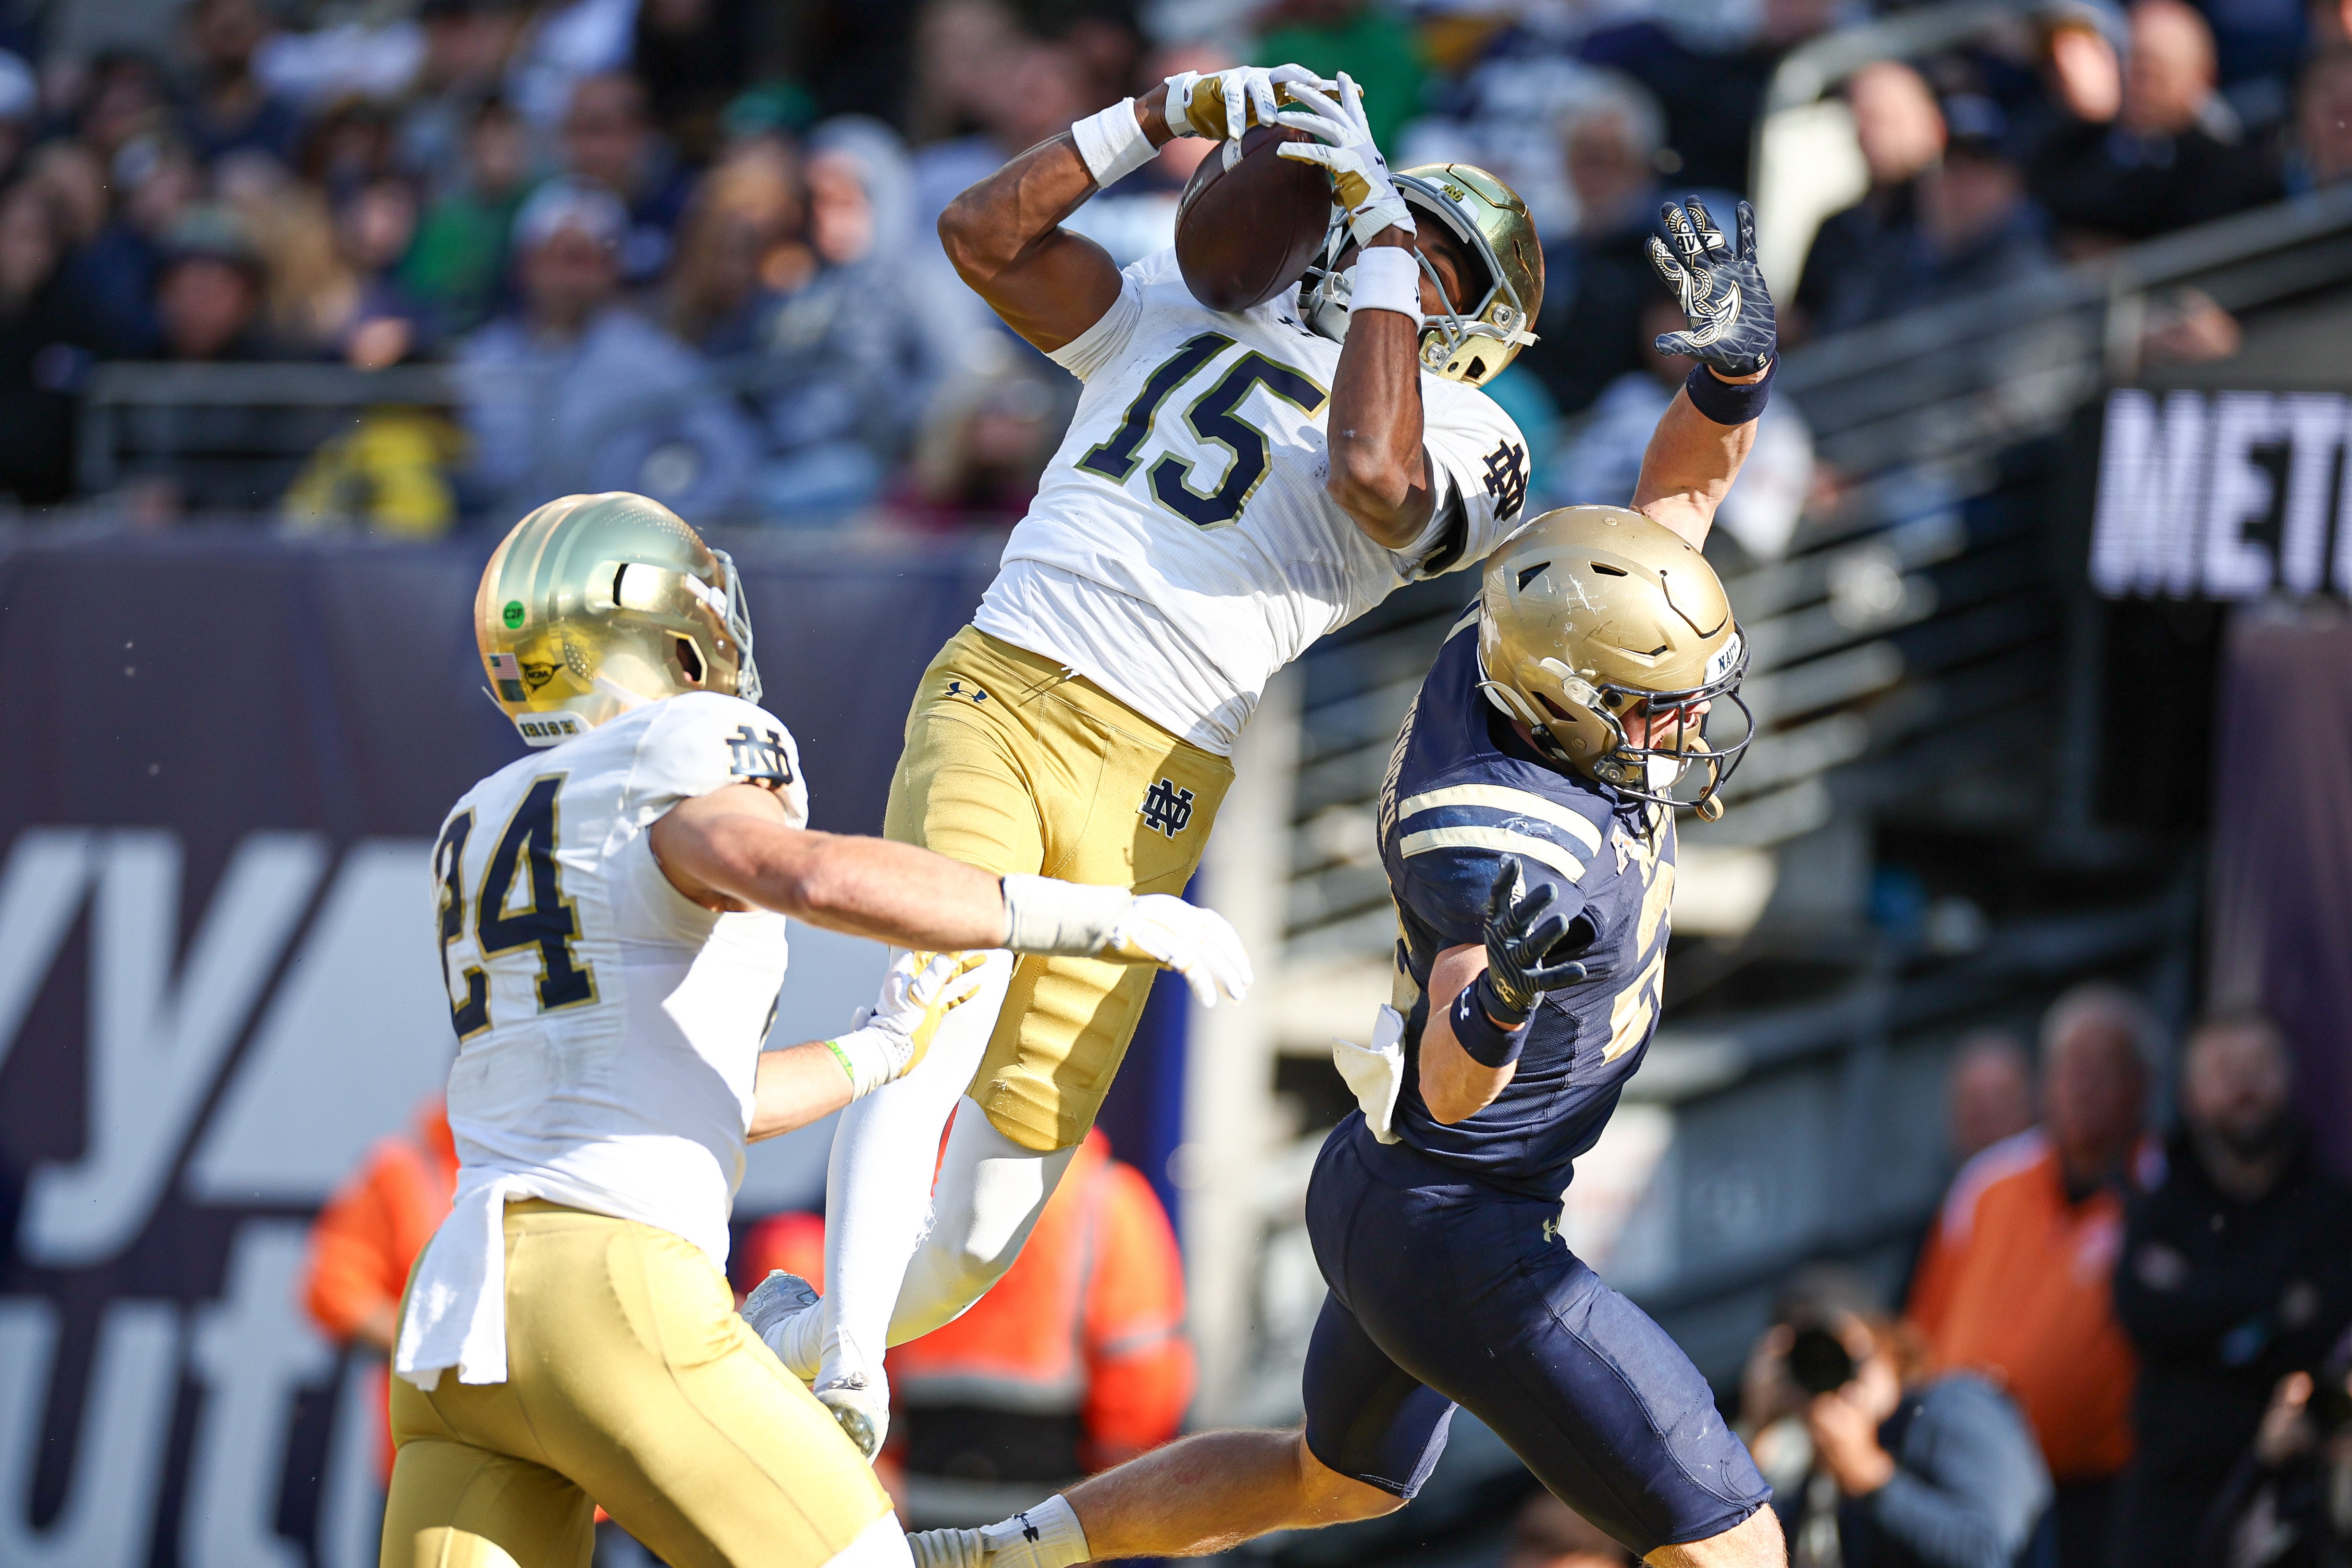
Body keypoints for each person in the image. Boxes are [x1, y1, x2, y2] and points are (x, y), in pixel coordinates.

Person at [892, 184, 1789, 1568]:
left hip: (1397, 1191)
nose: (1679, 728)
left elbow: (1676, 498)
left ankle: (998, 1549)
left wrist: (1728, 374)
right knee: (1734, 1542)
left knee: (1334, 1480)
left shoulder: (1538, 668)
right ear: (1574, 706)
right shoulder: (1499, 832)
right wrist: (1494, 997)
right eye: (1658, 708)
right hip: (1458, 1217)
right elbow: (1447, 1079)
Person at [742, 59, 1589, 1456]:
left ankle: (791, 1327)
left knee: (993, 1220)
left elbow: (1371, 471)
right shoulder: (1183, 310)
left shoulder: (1478, 437)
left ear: (1480, 326)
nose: (1399, 253)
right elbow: (980, 237)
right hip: (1008, 683)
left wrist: (1378, 243)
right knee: (930, 1010)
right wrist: (1147, 120)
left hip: (1157, 768)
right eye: (1399, 228)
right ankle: (842, 1367)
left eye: (1440, 260)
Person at [380, 490, 1249, 1568]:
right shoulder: (688, 742)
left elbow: (695, 1089)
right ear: (671, 641)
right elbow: (807, 871)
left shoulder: (484, 814)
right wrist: (1090, 914)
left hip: (459, 1325)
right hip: (612, 1288)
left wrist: (876, 1051)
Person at [742, 1127, 1192, 1521]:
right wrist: (1104, 1503)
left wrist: (864, 1470)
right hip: (1055, 1506)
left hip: (903, 1496)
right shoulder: (1108, 1198)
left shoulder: (902, 1183)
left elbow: (830, 1335)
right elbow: (1142, 1374)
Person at [1905, 982, 2158, 1568]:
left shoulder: (2165, 1192)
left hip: (2099, 1494)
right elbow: (1925, 1328)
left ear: (2142, 1085)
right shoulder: (1987, 1183)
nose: (2083, 1083)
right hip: (1970, 1486)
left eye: (2105, 1067)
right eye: (2070, 1064)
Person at [2107, 1014, 2352, 1568]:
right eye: (2224, 1069)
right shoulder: (2159, 1205)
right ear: (2191, 1093)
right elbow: (2141, 1313)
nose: (2244, 1084)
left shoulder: (2332, 1208)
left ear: (2288, 1078)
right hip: (2168, 1499)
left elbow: (2325, 1328)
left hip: (2295, 1502)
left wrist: (2202, 1302)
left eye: (2258, 1066)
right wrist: (2274, 1307)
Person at [455, 178, 758, 520]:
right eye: (557, 258)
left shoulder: (653, 359)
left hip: (616, 560)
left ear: (612, 267)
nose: (568, 279)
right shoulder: (482, 359)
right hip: (502, 557)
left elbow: (732, 455)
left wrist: (666, 533)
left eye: (584, 261)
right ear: (526, 264)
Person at [1746, 1308, 2050, 1568]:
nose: (1834, 1377)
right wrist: (1757, 1432)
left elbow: (1991, 1551)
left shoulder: (1954, 1406)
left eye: (1842, 1351)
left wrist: (1872, 1476)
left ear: (1885, 1346)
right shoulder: (1822, 1473)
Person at [2029, 0, 2283, 250]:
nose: (2140, 84)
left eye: (2156, 73)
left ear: (2201, 77)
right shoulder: (2066, 149)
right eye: (2132, 65)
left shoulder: (2230, 173)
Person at [300, 1095, 458, 1484]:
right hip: (441, 1468)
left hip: (584, 1483)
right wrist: (443, 1347)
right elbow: (332, 1289)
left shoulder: (595, 1166)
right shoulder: (407, 1169)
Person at [1791, 62, 1944, 344]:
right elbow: (1801, 320)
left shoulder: (1947, 214)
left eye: (1882, 119)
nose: (1868, 134)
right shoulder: (1837, 228)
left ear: (1932, 124)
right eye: (1859, 120)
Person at [1943, 1031, 2035, 1164]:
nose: (1988, 1128)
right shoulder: (1948, 1183)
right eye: (1975, 1111)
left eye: (2001, 1103)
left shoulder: (2060, 1176)